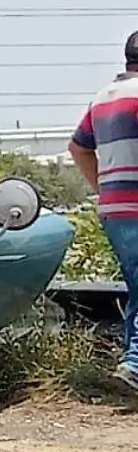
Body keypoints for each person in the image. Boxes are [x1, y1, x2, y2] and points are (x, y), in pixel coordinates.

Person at [68, 32, 138, 391]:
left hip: (116, 210)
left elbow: (77, 147)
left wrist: (103, 189)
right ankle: (134, 363)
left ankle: (132, 361)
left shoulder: (103, 98)